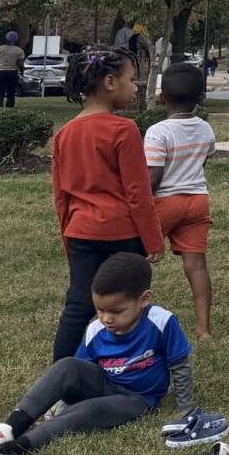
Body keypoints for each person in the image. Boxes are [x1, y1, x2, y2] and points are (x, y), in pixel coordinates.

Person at [0, 253, 216, 455]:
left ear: (144, 299)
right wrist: (59, 401)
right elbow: (79, 371)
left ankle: (12, 451)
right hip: (103, 384)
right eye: (100, 310)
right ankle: (7, 429)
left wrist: (186, 408)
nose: (106, 318)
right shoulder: (95, 330)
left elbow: (179, 365)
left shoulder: (162, 322)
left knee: (85, 412)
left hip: (136, 399)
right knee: (67, 365)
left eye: (116, 311)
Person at [49, 48, 164, 363]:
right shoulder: (123, 130)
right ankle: (131, 365)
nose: (136, 87)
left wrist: (68, 240)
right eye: (132, 79)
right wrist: (153, 240)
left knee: (78, 305)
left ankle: (60, 377)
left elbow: (62, 197)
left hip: (81, 234)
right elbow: (138, 192)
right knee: (130, 303)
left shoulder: (64, 135)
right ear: (111, 82)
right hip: (122, 235)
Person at [146, 64, 217, 339]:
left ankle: (130, 315)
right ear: (201, 98)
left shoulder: (157, 132)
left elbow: (154, 175)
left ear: (163, 96)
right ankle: (203, 329)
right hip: (198, 201)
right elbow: (204, 158)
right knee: (196, 266)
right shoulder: (205, 129)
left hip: (165, 202)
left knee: (137, 258)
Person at [0, 31, 26, 109]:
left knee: (0, 92)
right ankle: (10, 109)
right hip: (13, 73)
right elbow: (21, 64)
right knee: (11, 93)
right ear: (17, 40)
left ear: (6, 39)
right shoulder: (19, 50)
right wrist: (22, 73)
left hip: (1, 72)